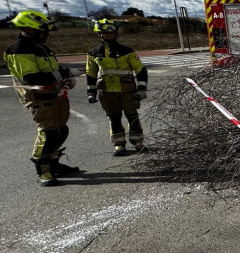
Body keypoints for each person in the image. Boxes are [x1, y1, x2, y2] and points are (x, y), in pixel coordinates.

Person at [4, 10, 80, 186]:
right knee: (49, 132)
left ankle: (53, 164)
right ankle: (43, 170)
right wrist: (64, 73)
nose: (47, 33)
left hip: (55, 95)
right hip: (39, 98)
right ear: (30, 29)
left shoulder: (41, 48)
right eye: (44, 30)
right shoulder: (19, 50)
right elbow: (31, 78)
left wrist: (65, 80)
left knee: (61, 131)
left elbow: (51, 70)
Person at [85, 19, 149, 155]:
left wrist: (142, 88)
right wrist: (91, 92)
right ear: (99, 34)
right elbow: (90, 73)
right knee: (114, 118)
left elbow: (140, 69)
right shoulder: (93, 53)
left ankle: (138, 142)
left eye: (112, 32)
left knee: (132, 117)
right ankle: (119, 144)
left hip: (127, 91)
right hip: (107, 92)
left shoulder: (127, 51)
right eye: (106, 33)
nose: (109, 35)